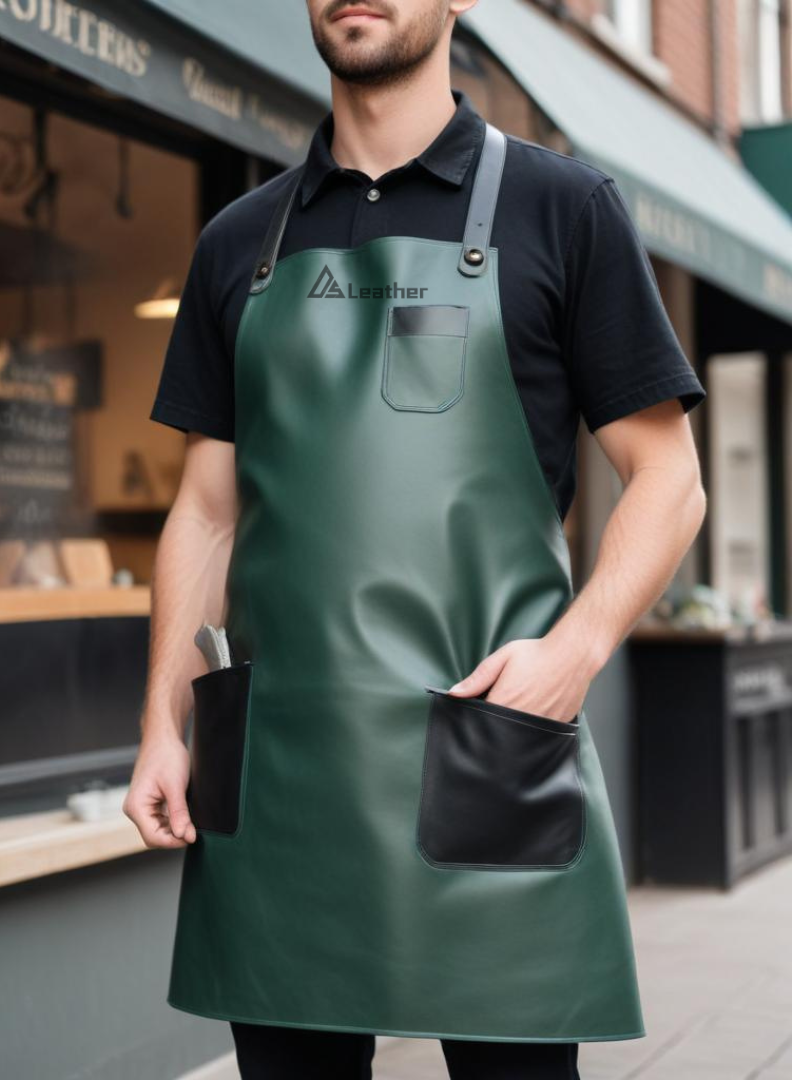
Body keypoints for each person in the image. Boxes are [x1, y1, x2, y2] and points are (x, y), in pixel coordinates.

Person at [124, 1, 708, 1076]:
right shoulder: (238, 243)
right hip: (284, 791)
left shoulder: (564, 208)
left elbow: (670, 481)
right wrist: (164, 722)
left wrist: (572, 655)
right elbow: (207, 511)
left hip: (489, 755)